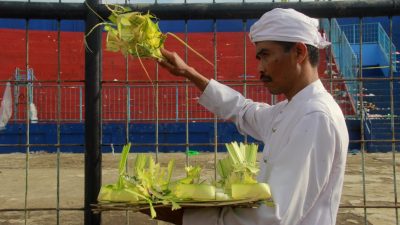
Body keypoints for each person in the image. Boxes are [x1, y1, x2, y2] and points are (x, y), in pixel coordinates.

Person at [146, 8, 349, 225]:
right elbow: (243, 110)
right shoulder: (291, 109)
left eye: (266, 55)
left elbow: (272, 218)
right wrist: (189, 73)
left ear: (299, 52)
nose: (260, 68)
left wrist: (175, 213)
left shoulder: (315, 117)